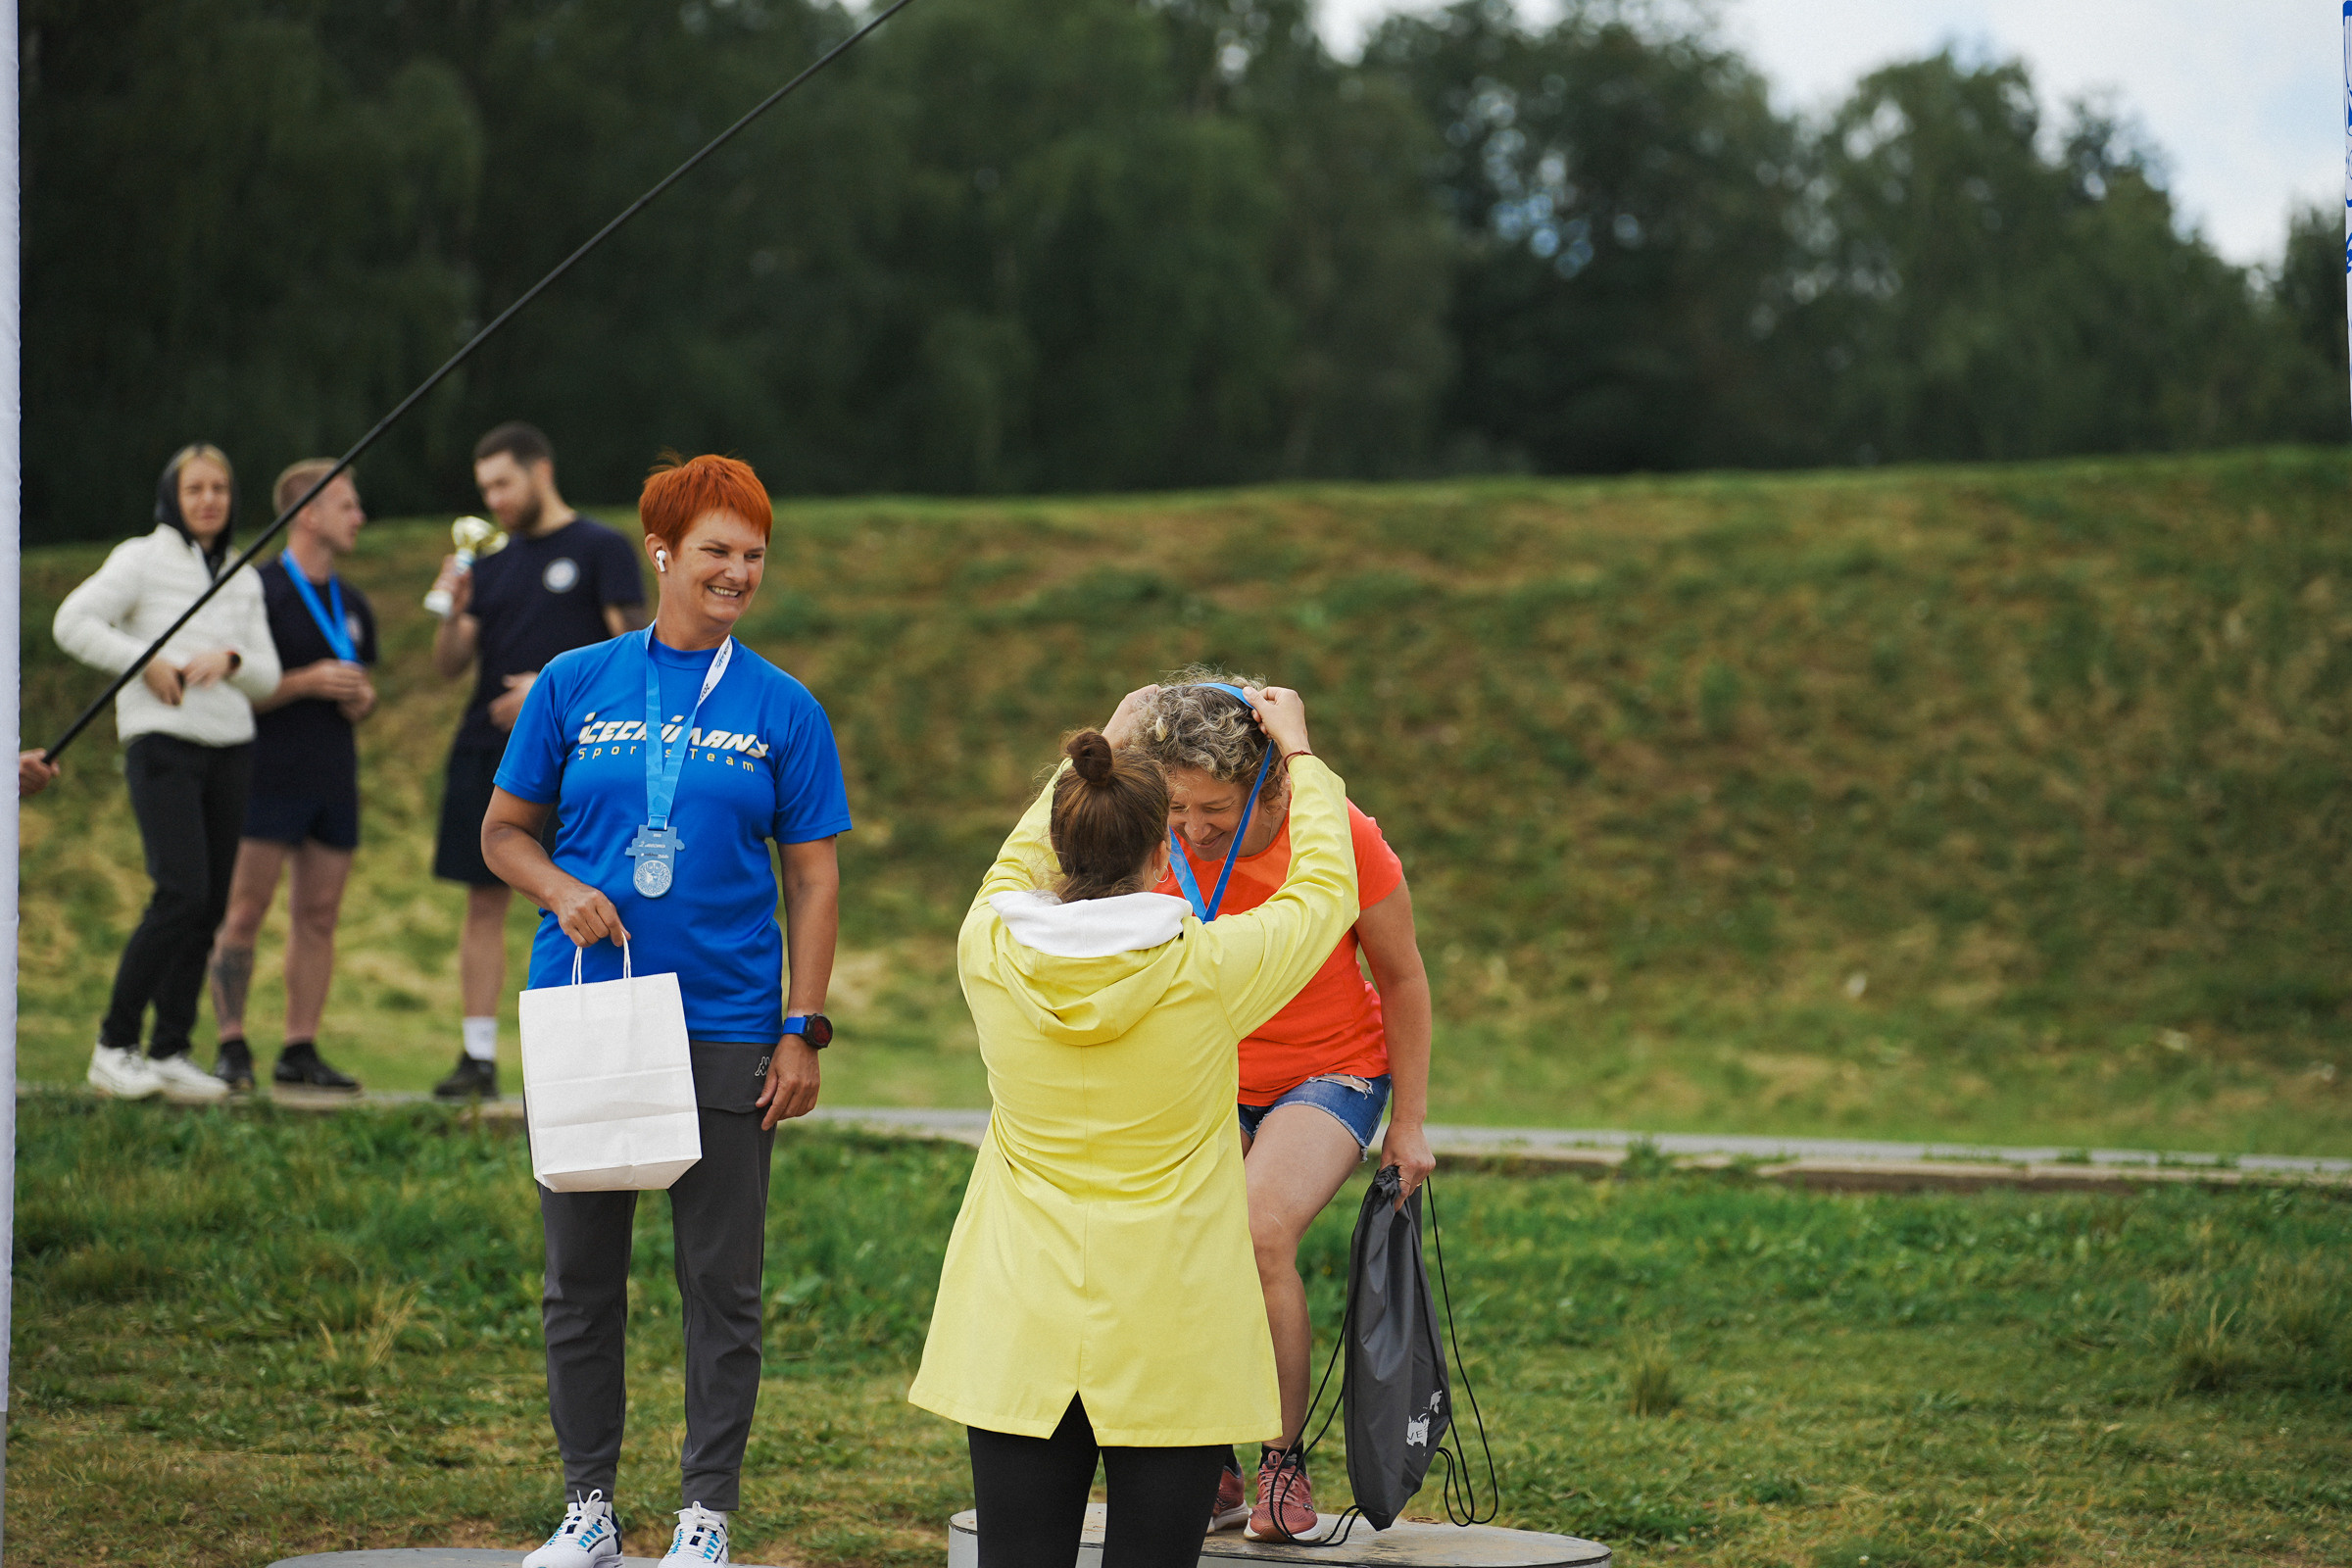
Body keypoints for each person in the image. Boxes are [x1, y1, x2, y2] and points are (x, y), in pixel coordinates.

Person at [483, 453, 851, 1568]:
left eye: (752, 556)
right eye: (716, 553)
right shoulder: (573, 682)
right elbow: (503, 834)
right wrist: (562, 890)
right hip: (591, 1014)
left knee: (719, 1286)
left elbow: (816, 880)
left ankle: (705, 1517)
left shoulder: (784, 706)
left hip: (731, 1024)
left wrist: (803, 1024)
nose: (737, 572)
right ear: (661, 553)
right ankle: (587, 1509)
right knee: (579, 1279)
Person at [907, 685, 1354, 1568]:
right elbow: (1327, 889)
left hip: (1018, 1322)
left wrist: (1104, 741)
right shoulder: (1211, 970)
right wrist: (1300, 758)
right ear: (1163, 853)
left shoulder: (986, 948)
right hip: (1173, 1326)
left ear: (1062, 839)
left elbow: (1012, 866)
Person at [1109, 670, 1436, 1542]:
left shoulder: (1338, 832)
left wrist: (1408, 1125)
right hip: (1203, 1073)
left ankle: (1279, 1461)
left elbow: (1402, 977)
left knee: (1258, 1232)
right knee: (1172, 1245)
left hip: (1328, 1070)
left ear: (1272, 782)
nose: (1193, 830)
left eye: (1214, 810)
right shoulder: (1154, 831)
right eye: (1178, 808)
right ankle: (1204, 1463)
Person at [53, 443, 282, 1102]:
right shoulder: (141, 558)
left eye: (219, 488)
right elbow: (74, 622)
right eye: (195, 490)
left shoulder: (242, 574)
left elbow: (266, 677)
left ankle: (172, 1048)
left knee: (209, 905)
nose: (209, 500)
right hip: (163, 743)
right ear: (173, 498)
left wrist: (234, 658)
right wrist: (146, 658)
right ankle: (114, 1044)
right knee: (179, 891)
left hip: (231, 746)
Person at [428, 421, 646, 1100]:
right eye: (484, 488)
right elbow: (447, 665)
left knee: (581, 899)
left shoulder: (601, 547)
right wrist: (451, 610)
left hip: (583, 762)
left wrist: (547, 691)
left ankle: (586, 1061)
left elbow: (642, 653)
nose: (494, 499)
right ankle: (477, 1057)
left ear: (539, 472)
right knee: (483, 900)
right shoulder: (490, 562)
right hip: (488, 754)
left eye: (503, 483)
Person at [203, 460, 379, 1093]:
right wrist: (303, 683)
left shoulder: (352, 602)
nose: (359, 517)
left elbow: (365, 686)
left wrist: (362, 700)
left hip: (333, 776)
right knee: (245, 910)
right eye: (347, 505)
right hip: (264, 773)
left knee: (320, 915)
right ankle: (231, 1044)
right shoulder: (256, 591)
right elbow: (227, 689)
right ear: (307, 513)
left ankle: (299, 1047)